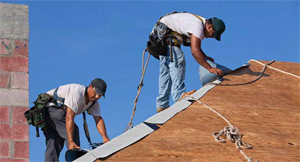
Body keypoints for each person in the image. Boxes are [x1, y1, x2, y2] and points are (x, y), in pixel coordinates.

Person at [152, 12, 231, 113]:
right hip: (165, 34)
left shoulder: (199, 25)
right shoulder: (197, 26)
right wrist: (209, 68)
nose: (212, 37)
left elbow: (195, 48)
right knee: (178, 61)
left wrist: (205, 57)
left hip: (160, 33)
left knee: (166, 70)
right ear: (210, 27)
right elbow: (194, 51)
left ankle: (162, 104)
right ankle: (179, 95)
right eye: (213, 34)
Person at [44, 78, 110, 162]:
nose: (96, 97)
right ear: (90, 87)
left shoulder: (94, 103)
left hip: (52, 113)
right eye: (95, 93)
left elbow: (98, 119)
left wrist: (105, 137)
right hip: (52, 109)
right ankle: (76, 158)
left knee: (54, 141)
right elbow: (69, 117)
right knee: (73, 131)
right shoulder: (77, 93)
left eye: (99, 95)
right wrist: (71, 141)